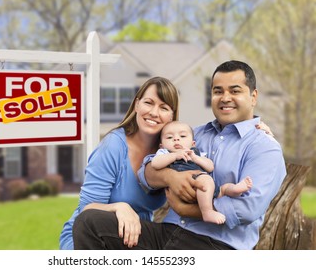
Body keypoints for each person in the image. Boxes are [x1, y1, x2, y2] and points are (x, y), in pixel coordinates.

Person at [73, 60, 286, 250]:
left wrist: (188, 208)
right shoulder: (194, 134)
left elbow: (247, 209)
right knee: (91, 222)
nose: (225, 98)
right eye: (218, 91)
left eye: (235, 91)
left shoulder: (264, 147)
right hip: (166, 234)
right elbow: (146, 172)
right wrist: (170, 177)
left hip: (215, 246)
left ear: (253, 96)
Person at [59, 76, 181, 249]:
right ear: (137, 104)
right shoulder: (113, 145)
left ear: (171, 116)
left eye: (164, 107)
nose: (154, 112)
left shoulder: (169, 153)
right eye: (149, 103)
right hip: (89, 235)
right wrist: (119, 207)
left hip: (135, 236)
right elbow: (87, 208)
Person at [151, 120, 252, 224]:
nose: (176, 139)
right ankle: (207, 212)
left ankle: (235, 189)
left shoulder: (195, 153)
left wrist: (196, 158)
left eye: (182, 136)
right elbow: (155, 163)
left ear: (193, 144)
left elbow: (210, 167)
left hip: (206, 189)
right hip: (190, 186)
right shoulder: (165, 153)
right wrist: (175, 155)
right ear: (162, 145)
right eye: (169, 137)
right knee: (205, 180)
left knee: (223, 188)